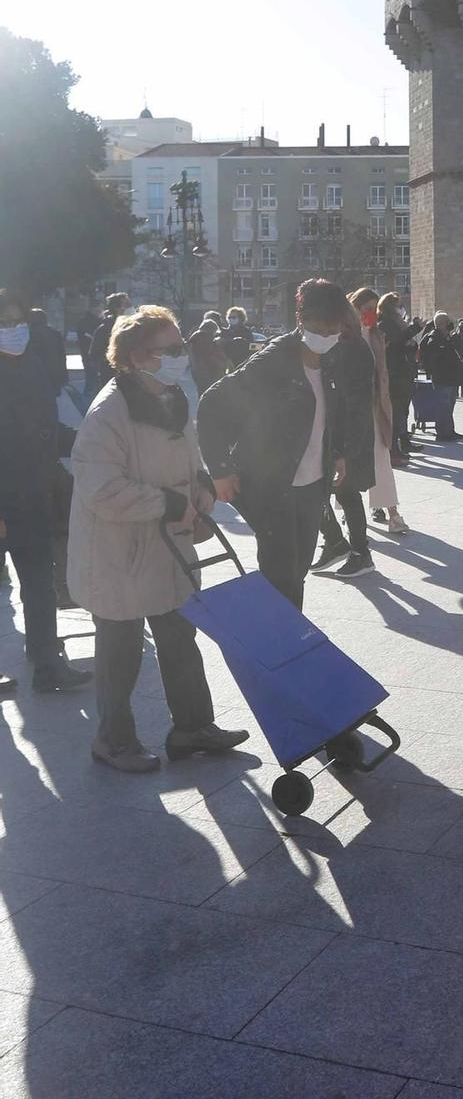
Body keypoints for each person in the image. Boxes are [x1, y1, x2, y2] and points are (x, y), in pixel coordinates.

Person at [68, 305, 247, 771]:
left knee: (180, 638)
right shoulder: (108, 412)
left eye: (180, 346)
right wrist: (169, 504)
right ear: (133, 357)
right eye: (168, 350)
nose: (179, 356)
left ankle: (192, 726)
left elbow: (188, 461)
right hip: (118, 553)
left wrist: (201, 490)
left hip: (167, 548)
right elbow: (101, 490)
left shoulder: (172, 397)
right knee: (120, 653)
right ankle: (113, 740)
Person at [197, 279, 371, 611]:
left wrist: (335, 453)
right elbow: (211, 405)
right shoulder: (274, 361)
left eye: (334, 328)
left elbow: (330, 411)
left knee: (298, 569)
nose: (328, 335)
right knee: (280, 574)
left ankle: (288, 633)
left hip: (311, 484)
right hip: (270, 484)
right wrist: (220, 469)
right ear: (302, 321)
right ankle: (280, 640)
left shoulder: (332, 357)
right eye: (321, 327)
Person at [0, 289, 89, 695]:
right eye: (4, 324)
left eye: (18, 323)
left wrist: (85, 441)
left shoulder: (32, 366)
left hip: (32, 493)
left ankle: (47, 662)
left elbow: (46, 430)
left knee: (38, 580)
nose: (14, 331)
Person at [310, 302, 380, 579]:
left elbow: (353, 401)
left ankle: (358, 552)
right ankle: (338, 543)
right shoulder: (343, 346)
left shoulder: (352, 349)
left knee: (344, 493)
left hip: (347, 434)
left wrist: (345, 449)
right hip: (337, 432)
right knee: (333, 493)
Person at [350, 287, 409, 536]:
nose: (371, 314)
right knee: (346, 463)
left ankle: (393, 513)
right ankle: (347, 514)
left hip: (375, 407)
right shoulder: (343, 335)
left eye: (375, 309)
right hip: (350, 411)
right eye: (366, 309)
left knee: (381, 459)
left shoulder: (376, 334)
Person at [378, 292, 418, 462]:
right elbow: (394, 343)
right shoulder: (385, 323)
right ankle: (393, 449)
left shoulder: (398, 323)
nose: (401, 308)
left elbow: (403, 345)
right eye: (397, 305)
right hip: (393, 374)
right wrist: (412, 331)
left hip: (403, 372)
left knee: (402, 411)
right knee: (394, 414)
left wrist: (410, 343)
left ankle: (402, 443)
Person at [418, 312, 463, 441]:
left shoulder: (448, 337)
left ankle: (450, 430)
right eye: (448, 321)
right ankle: (442, 433)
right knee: (443, 406)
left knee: (449, 406)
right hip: (442, 378)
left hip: (452, 378)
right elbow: (434, 359)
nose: (450, 324)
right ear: (442, 324)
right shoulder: (435, 338)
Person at [85, 292, 129, 404]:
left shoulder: (133, 327)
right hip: (112, 377)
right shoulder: (105, 329)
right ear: (117, 308)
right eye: (127, 304)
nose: (130, 307)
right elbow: (94, 354)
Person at [186, 317, 227, 394]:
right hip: (209, 376)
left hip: (197, 375)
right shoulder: (206, 340)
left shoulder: (194, 340)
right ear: (212, 330)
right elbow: (213, 358)